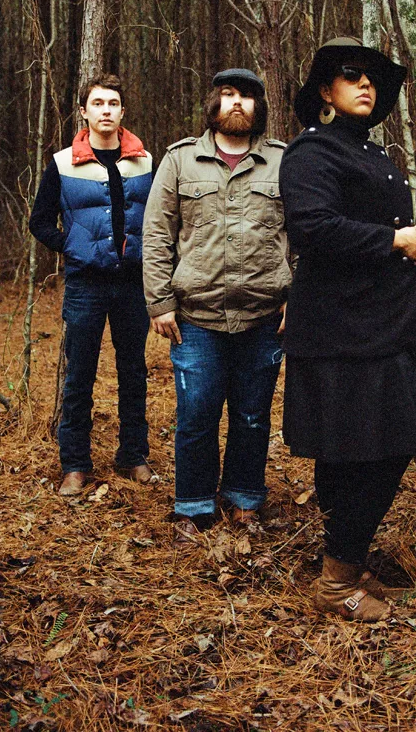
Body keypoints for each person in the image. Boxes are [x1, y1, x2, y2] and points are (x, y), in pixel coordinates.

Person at [279, 36, 416, 623]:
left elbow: (379, 224)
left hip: (388, 328)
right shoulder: (310, 153)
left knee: (387, 447)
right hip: (342, 334)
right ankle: (336, 579)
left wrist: (414, 241)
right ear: (326, 91)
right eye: (352, 75)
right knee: (355, 453)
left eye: (373, 76)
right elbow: (314, 228)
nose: (366, 84)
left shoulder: (374, 155)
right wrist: (393, 240)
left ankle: (347, 559)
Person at [142, 69, 291, 544]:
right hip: (196, 316)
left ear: (258, 106)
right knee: (196, 412)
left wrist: (297, 298)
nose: (237, 104)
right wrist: (159, 302)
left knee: (252, 414)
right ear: (213, 103)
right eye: (228, 95)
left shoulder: (283, 162)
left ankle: (245, 498)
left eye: (246, 96)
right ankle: (193, 503)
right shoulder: (181, 160)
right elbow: (156, 232)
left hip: (264, 315)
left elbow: (303, 237)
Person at [29, 74, 155, 496]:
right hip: (85, 282)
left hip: (132, 282)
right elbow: (39, 221)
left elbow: (159, 219)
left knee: (133, 371)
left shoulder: (146, 162)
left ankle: (133, 456)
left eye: (113, 103)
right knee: (80, 373)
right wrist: (72, 246)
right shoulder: (64, 163)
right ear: (84, 111)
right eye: (97, 103)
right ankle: (75, 465)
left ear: (122, 112)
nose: (105, 110)